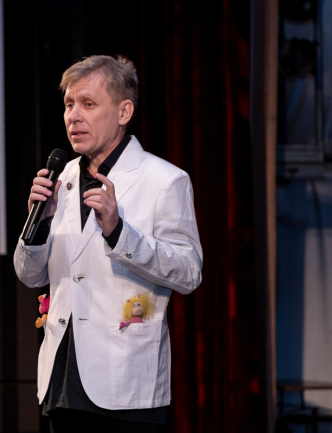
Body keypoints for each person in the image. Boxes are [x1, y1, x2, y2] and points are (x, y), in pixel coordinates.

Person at [14, 55, 203, 432]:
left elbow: (188, 272)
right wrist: (40, 223)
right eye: (69, 104)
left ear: (123, 111)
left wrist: (118, 231)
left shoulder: (164, 180)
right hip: (62, 377)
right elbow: (29, 275)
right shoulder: (61, 177)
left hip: (125, 379)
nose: (73, 116)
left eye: (88, 104)